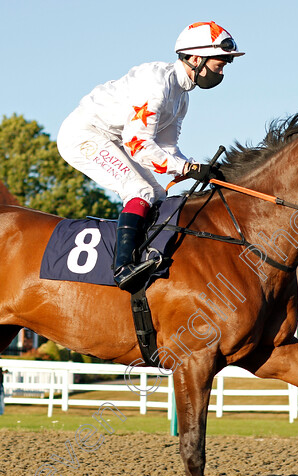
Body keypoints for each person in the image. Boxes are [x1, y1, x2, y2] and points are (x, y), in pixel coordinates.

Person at [57, 21, 245, 290]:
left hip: (116, 138)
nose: (223, 70)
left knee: (157, 195)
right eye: (220, 62)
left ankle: (144, 257)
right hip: (85, 135)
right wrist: (188, 168)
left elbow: (167, 150)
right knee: (139, 190)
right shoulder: (158, 85)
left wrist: (197, 168)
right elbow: (137, 145)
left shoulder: (181, 97)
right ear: (196, 58)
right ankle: (122, 267)